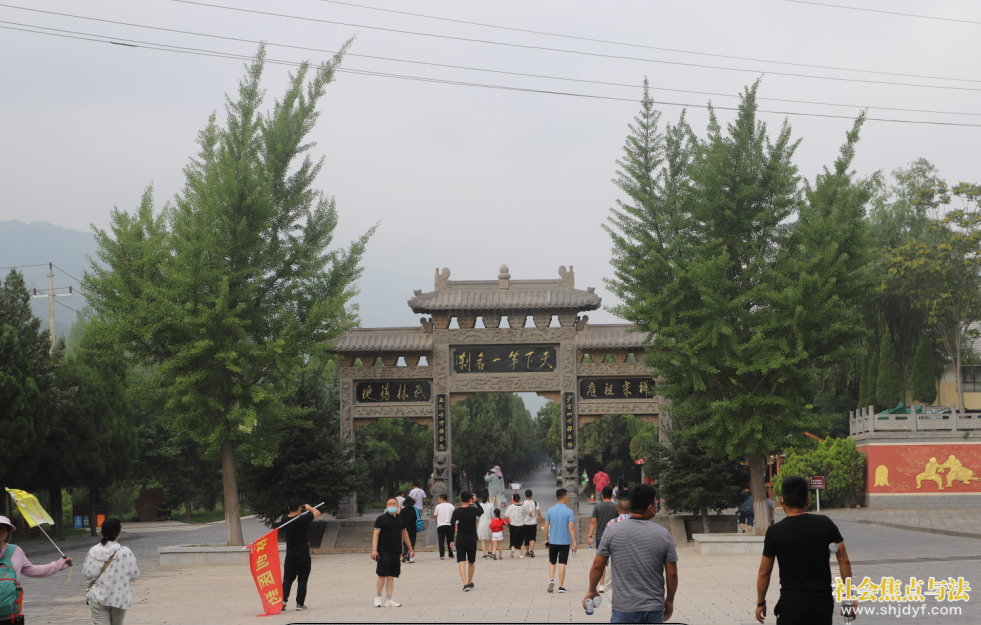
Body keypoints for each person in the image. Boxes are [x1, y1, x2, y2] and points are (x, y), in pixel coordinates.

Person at [755, 476, 855, 625]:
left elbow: (764, 572)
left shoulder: (775, 532)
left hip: (791, 605)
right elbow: (844, 560)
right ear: (807, 501)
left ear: (781, 500)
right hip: (822, 604)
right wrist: (848, 598)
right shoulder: (826, 523)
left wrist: (761, 602)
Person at [584, 484, 678, 624]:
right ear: (650, 507)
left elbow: (597, 566)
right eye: (655, 504)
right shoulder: (663, 534)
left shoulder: (612, 531)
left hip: (623, 608)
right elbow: (672, 574)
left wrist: (592, 590)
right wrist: (669, 601)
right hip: (653, 608)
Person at [0, 516, 72, 624]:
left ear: (8, 531)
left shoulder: (15, 551)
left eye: (1, 528)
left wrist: (59, 564)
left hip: (14, 615)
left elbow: (33, 570)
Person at [83, 518, 140, 625]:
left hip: (97, 597)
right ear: (119, 532)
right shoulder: (125, 552)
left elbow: (87, 573)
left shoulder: (93, 551)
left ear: (102, 532)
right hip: (119, 598)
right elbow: (134, 575)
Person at [371, 497, 415, 607]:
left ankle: (389, 599)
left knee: (391, 575)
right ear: (386, 506)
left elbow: (404, 533)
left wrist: (410, 547)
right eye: (389, 504)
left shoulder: (400, 518)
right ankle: (378, 597)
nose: (391, 506)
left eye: (393, 504)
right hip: (383, 550)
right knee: (382, 574)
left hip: (396, 551)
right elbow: (376, 534)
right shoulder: (381, 519)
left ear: (397, 506)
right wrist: (374, 550)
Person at [279, 499, 322, 611]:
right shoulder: (303, 519)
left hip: (290, 555)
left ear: (288, 508)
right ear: (299, 508)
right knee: (302, 580)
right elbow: (317, 513)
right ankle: (300, 604)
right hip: (303, 555)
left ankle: (283, 600)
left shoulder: (284, 519)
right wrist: (309, 508)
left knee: (287, 579)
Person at [543, 488, 577, 593]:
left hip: (553, 541)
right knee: (562, 563)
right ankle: (561, 586)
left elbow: (546, 526)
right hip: (564, 542)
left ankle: (551, 579)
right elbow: (571, 527)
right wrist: (574, 541)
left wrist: (546, 539)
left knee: (552, 561)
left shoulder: (550, 510)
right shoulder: (569, 511)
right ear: (564, 497)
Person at [449, 490, 483, 591]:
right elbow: (481, 511)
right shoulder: (474, 510)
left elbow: (452, 526)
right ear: (470, 499)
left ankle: (465, 584)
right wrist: (476, 501)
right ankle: (469, 581)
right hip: (472, 539)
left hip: (460, 539)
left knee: (461, 561)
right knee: (471, 561)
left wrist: (451, 540)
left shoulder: (456, 511)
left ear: (460, 499)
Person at [588, 485, 619, 593]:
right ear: (612, 495)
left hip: (600, 537)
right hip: (615, 536)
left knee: (601, 562)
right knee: (615, 560)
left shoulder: (597, 507)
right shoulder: (616, 507)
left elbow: (593, 522)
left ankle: (601, 585)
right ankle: (614, 583)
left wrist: (589, 536)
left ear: (602, 495)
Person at [432, 493, 456, 560]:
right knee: (450, 540)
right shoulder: (451, 506)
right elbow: (454, 515)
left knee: (441, 540)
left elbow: (435, 515)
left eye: (439, 499)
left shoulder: (438, 506)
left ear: (442, 499)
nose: (438, 500)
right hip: (450, 525)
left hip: (440, 525)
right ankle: (451, 554)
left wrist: (437, 520)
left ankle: (442, 555)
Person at [521, 489, 544, 558]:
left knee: (526, 538)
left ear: (525, 495)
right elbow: (538, 513)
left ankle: (527, 552)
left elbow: (521, 513)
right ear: (532, 495)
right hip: (533, 523)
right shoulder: (535, 503)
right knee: (533, 537)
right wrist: (541, 522)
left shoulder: (522, 503)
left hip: (525, 523)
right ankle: (531, 550)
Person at [504, 493, 526, 558]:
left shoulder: (510, 507)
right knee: (521, 540)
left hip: (513, 525)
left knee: (513, 538)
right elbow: (528, 513)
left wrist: (508, 522)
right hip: (521, 525)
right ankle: (521, 555)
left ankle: (513, 548)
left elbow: (506, 516)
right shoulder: (523, 507)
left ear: (513, 499)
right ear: (519, 499)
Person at [400, 496, 419, 563]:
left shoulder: (402, 511)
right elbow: (418, 518)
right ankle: (410, 557)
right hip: (413, 527)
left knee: (405, 541)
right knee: (412, 541)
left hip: (404, 528)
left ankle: (405, 553)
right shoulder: (415, 510)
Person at [476, 492, 495, 559]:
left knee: (483, 540)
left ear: (481, 498)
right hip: (489, 522)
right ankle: (489, 551)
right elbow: (493, 515)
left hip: (481, 523)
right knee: (491, 538)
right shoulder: (491, 505)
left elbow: (477, 516)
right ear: (488, 498)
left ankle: (484, 554)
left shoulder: (479, 505)